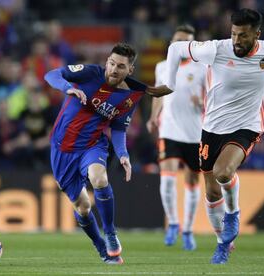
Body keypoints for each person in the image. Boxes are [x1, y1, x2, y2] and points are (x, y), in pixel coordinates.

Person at [164, 8, 264, 264]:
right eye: (234, 34)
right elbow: (176, 50)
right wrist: (170, 85)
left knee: (223, 172)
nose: (236, 41)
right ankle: (223, 242)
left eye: (243, 36)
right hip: (212, 126)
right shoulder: (216, 49)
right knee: (211, 191)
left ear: (257, 34)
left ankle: (233, 213)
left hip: (248, 125)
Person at [44, 43, 171, 264]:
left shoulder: (130, 96)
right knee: (82, 207)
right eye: (111, 63)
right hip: (61, 149)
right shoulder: (90, 73)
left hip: (93, 145)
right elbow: (52, 74)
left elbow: (119, 127)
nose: (113, 69)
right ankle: (100, 246)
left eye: (120, 66)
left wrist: (123, 154)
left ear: (130, 70)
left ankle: (111, 234)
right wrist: (67, 88)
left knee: (99, 178)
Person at [147, 24, 207, 250]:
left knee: (192, 181)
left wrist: (201, 103)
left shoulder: (202, 67)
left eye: (186, 41)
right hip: (169, 129)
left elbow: (212, 98)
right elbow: (158, 94)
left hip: (195, 132)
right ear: (172, 43)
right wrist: (154, 116)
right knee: (168, 175)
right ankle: (173, 223)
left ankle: (188, 229)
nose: (180, 44)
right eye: (178, 40)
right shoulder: (162, 67)